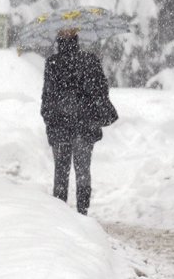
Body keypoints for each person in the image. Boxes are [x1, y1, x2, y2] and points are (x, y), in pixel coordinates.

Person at [41, 28, 118, 215]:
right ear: (77, 40)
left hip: (60, 126)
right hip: (84, 126)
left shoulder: (52, 63)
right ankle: (82, 212)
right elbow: (101, 91)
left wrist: (51, 118)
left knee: (61, 172)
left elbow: (47, 98)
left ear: (58, 41)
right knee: (83, 170)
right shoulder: (90, 60)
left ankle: (60, 213)